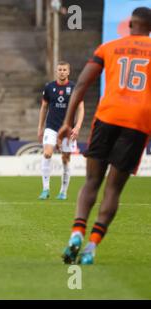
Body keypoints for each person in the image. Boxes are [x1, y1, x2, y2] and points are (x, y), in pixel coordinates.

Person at [59, 7, 150, 265]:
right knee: (113, 188)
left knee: (91, 181)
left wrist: (67, 123)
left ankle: (77, 232)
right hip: (138, 123)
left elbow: (81, 85)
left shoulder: (108, 47)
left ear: (130, 23)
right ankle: (91, 246)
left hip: (107, 117)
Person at [37, 61, 85, 200]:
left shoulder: (74, 88)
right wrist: (40, 127)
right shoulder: (49, 87)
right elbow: (44, 107)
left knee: (65, 159)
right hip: (51, 127)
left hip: (67, 129)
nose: (62, 72)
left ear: (68, 72)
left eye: (64, 69)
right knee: (47, 154)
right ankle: (45, 189)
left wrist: (78, 126)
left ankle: (63, 191)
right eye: (60, 69)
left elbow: (81, 108)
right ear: (56, 71)